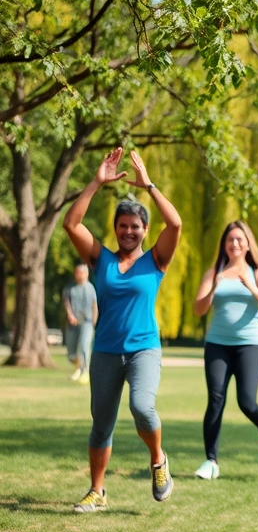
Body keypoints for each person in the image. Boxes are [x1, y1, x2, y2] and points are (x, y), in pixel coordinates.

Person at [63, 147, 182, 513]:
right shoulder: (101, 259)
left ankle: (158, 460)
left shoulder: (156, 260)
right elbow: (71, 223)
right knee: (101, 423)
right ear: (116, 228)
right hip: (106, 352)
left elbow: (175, 224)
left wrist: (149, 186)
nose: (128, 231)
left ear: (145, 230)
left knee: (142, 406)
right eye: (123, 225)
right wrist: (97, 181)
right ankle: (97, 491)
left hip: (144, 348)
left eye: (135, 226)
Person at [193, 221, 258, 479]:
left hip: (249, 345)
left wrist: (250, 286)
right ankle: (211, 461)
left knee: (246, 402)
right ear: (224, 244)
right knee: (216, 400)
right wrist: (213, 286)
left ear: (247, 243)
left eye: (239, 239)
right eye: (230, 239)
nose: (234, 244)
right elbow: (199, 309)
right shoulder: (215, 271)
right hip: (217, 344)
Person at [63, 263, 98, 384]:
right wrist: (70, 315)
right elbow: (67, 303)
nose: (80, 275)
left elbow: (95, 306)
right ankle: (78, 368)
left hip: (87, 323)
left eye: (82, 272)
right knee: (71, 353)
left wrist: (94, 322)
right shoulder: (70, 288)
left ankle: (85, 372)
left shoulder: (91, 288)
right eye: (77, 272)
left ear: (87, 274)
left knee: (84, 347)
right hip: (72, 323)